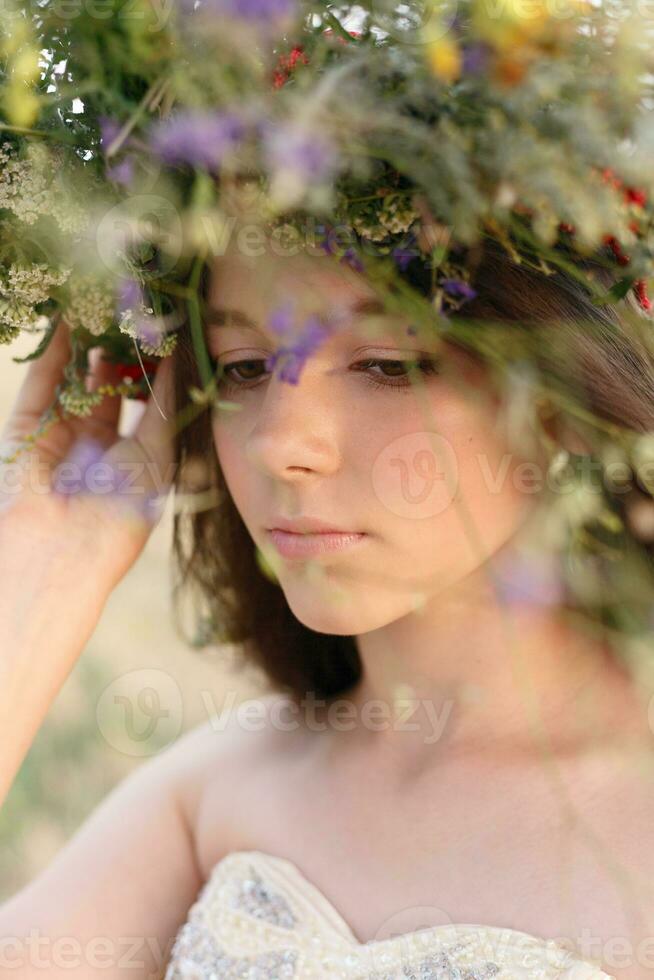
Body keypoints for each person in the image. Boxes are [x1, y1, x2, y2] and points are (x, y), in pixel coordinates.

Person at [1, 231, 653, 980]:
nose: (280, 442)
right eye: (243, 367)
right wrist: (41, 576)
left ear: (568, 390)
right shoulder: (214, 795)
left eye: (387, 362)